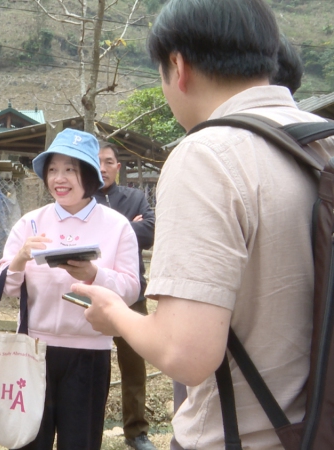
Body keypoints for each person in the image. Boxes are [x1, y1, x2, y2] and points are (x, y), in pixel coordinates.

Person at [78, 0, 334, 448]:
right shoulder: (323, 140)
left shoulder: (208, 155)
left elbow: (186, 352)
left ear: (178, 66)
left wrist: (115, 313)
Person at [0, 128, 140, 450]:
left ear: (89, 175)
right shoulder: (30, 223)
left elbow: (131, 289)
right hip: (33, 350)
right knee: (30, 441)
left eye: (69, 170)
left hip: (90, 353)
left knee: (81, 442)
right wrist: (20, 258)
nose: (59, 179)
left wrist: (94, 274)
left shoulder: (117, 226)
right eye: (52, 170)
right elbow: (5, 287)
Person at [93, 142, 156, 450]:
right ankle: (90, 427)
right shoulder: (81, 201)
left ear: (118, 167)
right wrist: (128, 230)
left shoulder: (135, 197)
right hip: (91, 296)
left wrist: (107, 238)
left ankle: (137, 433)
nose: (102, 167)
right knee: (93, 366)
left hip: (132, 297)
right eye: (97, 162)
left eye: (108, 162)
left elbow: (152, 232)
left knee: (134, 367)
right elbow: (81, 241)